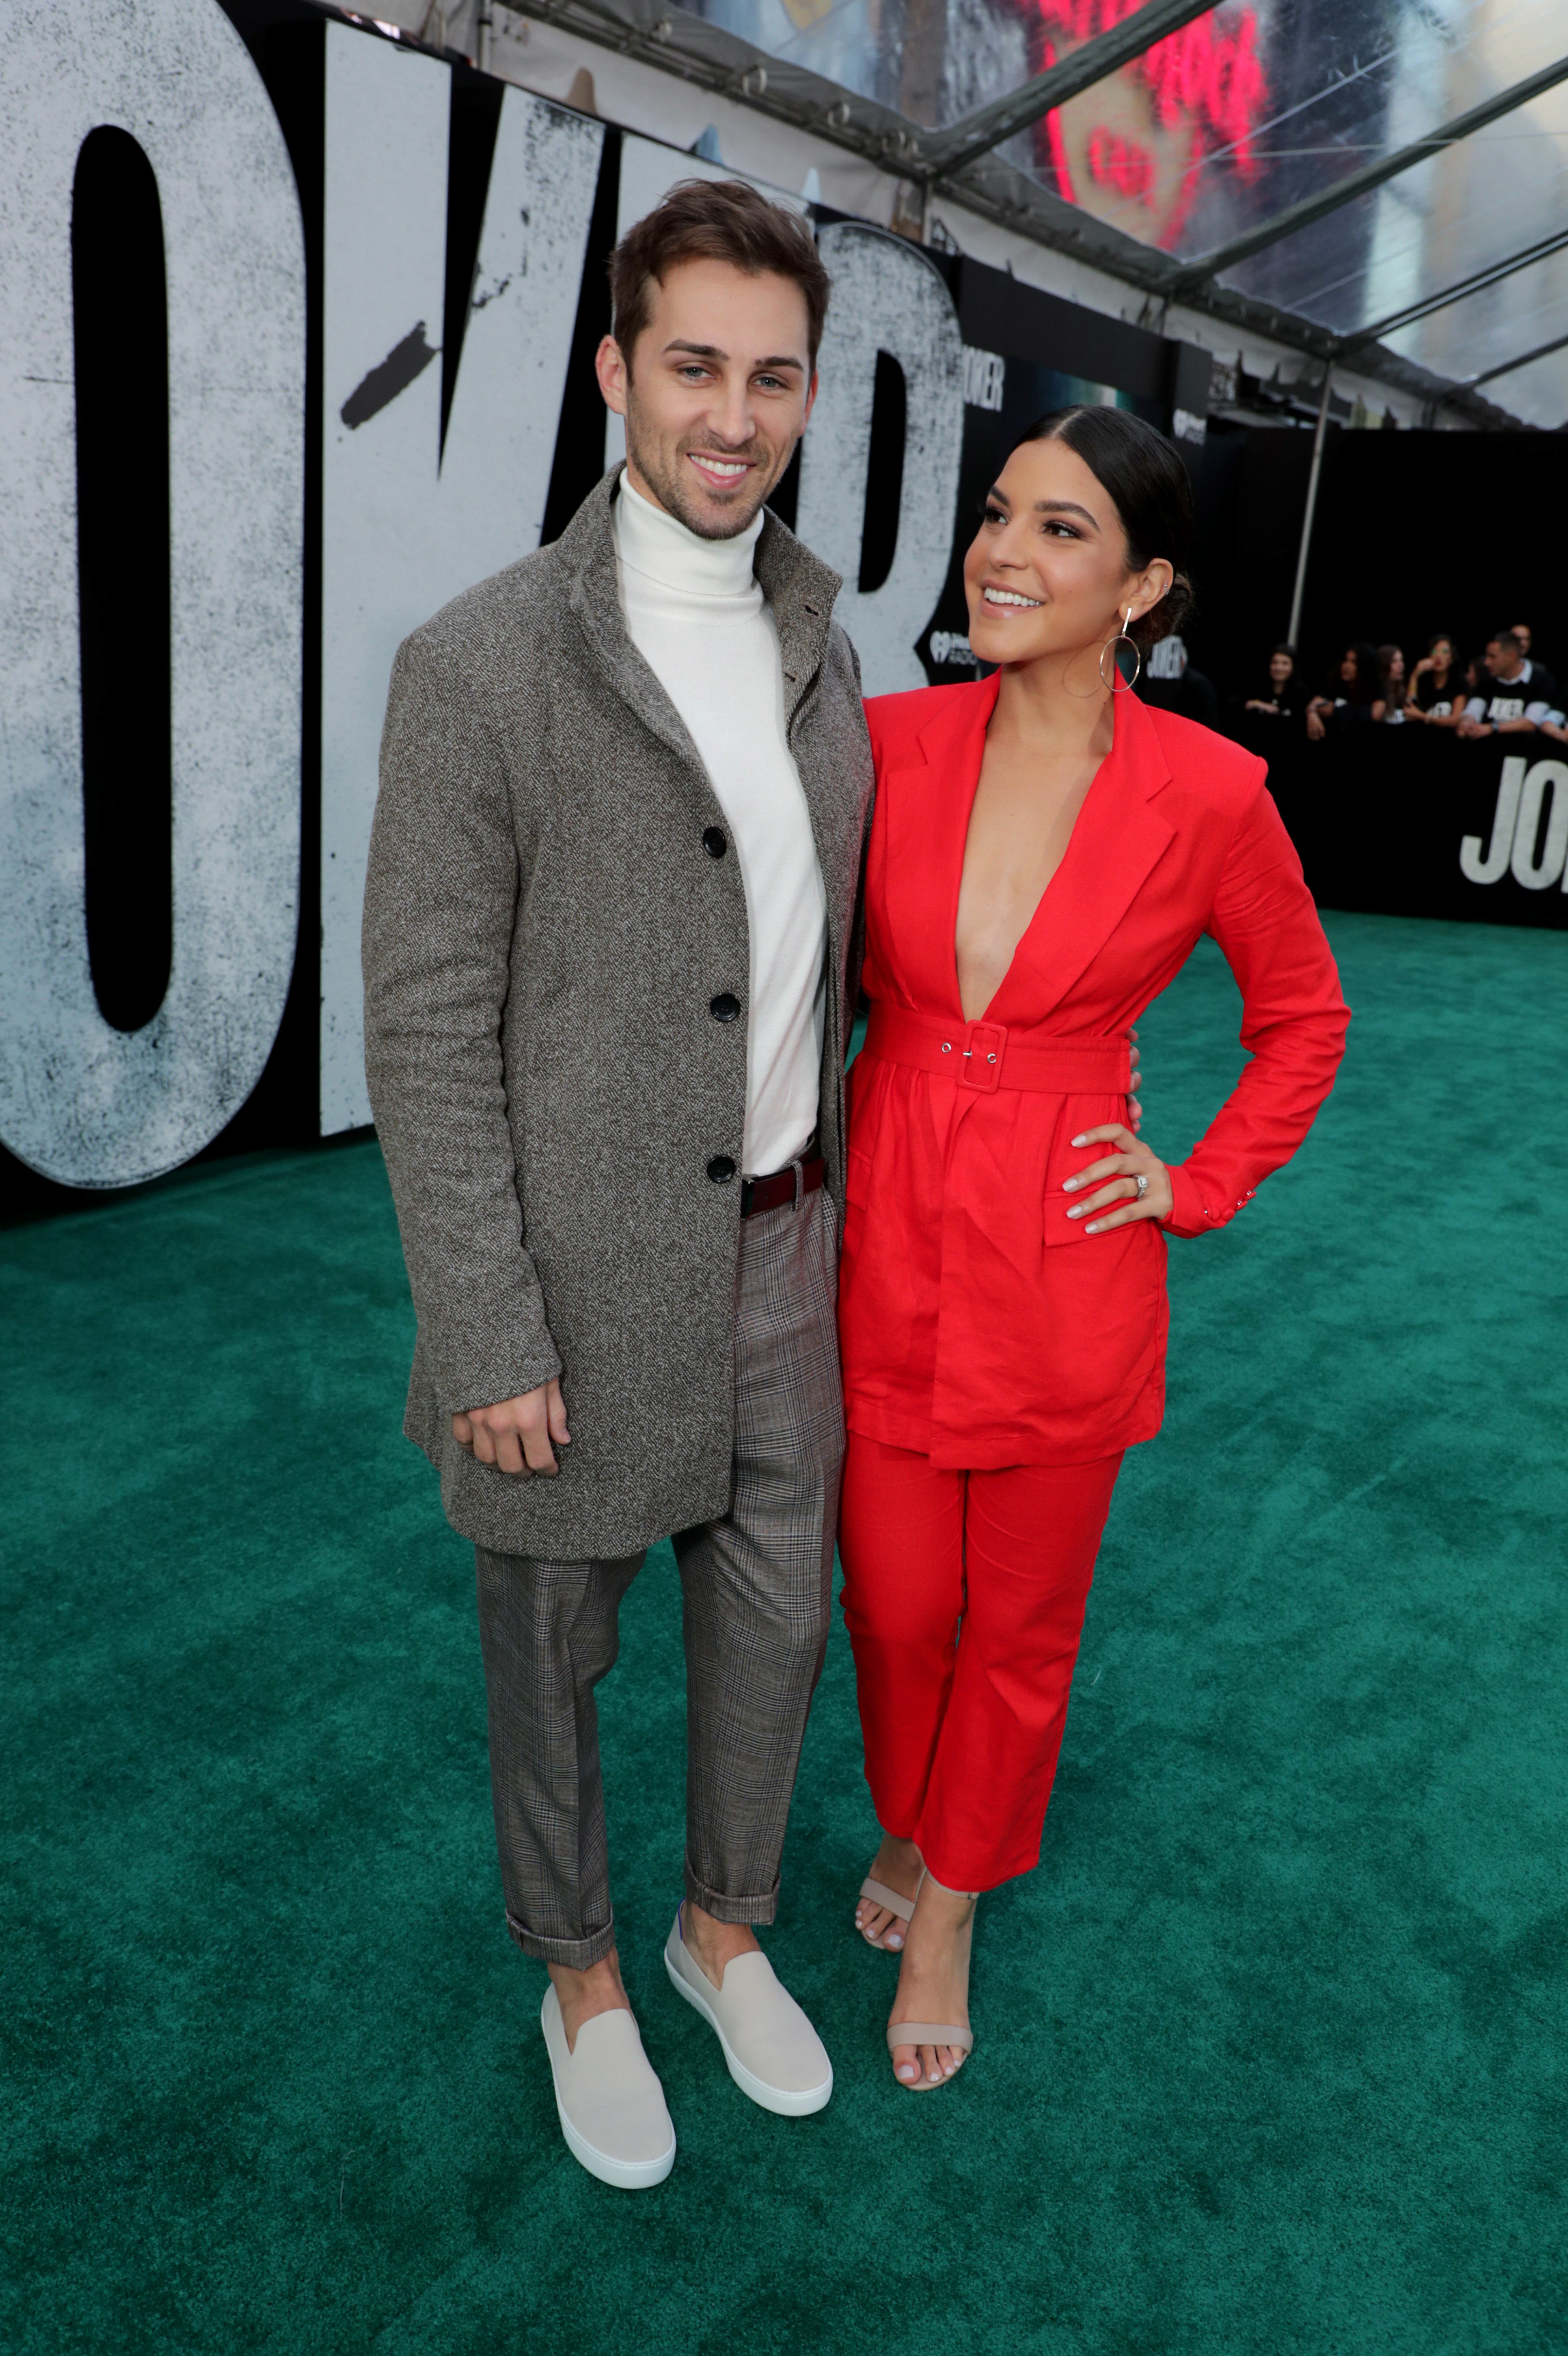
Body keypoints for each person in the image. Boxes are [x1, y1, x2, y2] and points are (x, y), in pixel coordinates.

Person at [361, 181, 874, 2189]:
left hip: (784, 1248)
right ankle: (577, 1972)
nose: (731, 416)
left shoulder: (828, 646)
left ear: (808, 394)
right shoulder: (478, 662)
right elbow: (423, 1026)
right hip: (565, 1287)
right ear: (612, 373)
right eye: (692, 367)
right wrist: (485, 1326)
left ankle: (717, 1932)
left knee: (774, 1628)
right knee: (551, 1652)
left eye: (772, 377)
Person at [836, 406, 1349, 2094]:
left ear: (1140, 587)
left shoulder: (1210, 793)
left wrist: (1192, 1184)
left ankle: (951, 1900)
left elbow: (1303, 1018)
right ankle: (913, 1811)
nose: (1001, 553)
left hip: (1067, 1256)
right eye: (998, 513)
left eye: (1060, 530)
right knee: (895, 1604)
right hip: (887, 1224)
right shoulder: (885, 741)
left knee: (1019, 1625)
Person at [1457, 631, 1558, 736]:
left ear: (1511, 656)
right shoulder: (1487, 680)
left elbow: (1531, 722)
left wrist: (1492, 728)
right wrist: (1467, 722)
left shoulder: (1541, 681)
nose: (1487, 662)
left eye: (1493, 657)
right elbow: (1474, 709)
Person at [1305, 642, 1380, 738]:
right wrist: (1312, 714)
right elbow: (1316, 704)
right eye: (1346, 660)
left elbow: (1375, 715)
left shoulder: (1375, 688)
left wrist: (1335, 711)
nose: (1347, 666)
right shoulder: (1335, 684)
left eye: (1354, 663)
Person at [1404, 633, 1466, 725]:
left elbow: (1455, 720)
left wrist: (1423, 717)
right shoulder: (1423, 681)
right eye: (1434, 651)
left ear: (1452, 658)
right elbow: (1410, 711)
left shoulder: (1459, 682)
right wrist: (1414, 676)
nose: (1439, 656)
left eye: (1445, 652)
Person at [1241, 643, 1301, 718]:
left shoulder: (1300, 694)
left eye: (1285, 664)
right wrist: (1257, 704)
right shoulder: (1257, 688)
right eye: (1275, 663)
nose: (1279, 668)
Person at [1374, 644, 1407, 722]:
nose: (1400, 665)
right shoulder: (1378, 694)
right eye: (1394, 662)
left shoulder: (1401, 691)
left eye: (1401, 660)